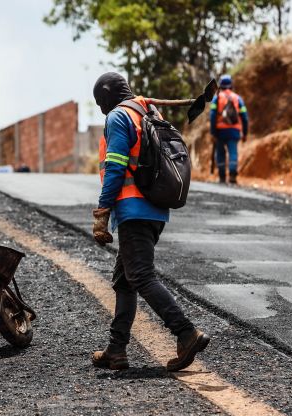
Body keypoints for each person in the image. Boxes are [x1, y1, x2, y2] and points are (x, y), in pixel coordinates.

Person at [90, 72, 210, 372]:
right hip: (156, 208)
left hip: (133, 210)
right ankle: (116, 350)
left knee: (141, 275)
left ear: (105, 96)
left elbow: (116, 168)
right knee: (124, 280)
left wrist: (102, 212)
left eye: (99, 102)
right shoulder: (149, 111)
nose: (100, 108)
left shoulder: (119, 117)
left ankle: (185, 332)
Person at [210, 74, 248, 184]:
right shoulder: (238, 99)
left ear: (220, 85)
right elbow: (244, 117)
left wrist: (213, 132)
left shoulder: (217, 98)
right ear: (231, 85)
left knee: (220, 153)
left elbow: (212, 116)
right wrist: (245, 133)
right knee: (233, 153)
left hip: (220, 131)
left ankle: (222, 177)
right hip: (234, 131)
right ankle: (232, 176)